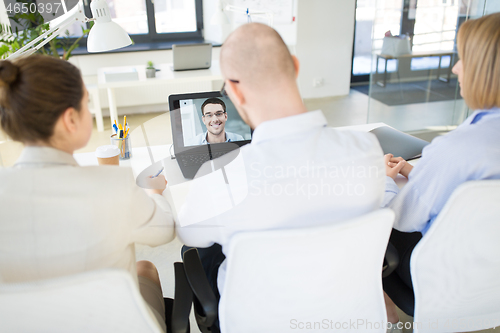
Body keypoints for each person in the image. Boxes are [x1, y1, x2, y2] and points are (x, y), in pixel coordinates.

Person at [176, 23, 392, 326]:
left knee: (202, 249)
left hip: (258, 323)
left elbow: (188, 233)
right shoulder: (367, 150)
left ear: (234, 90)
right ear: (295, 67)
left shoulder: (224, 178)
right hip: (348, 317)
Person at [0, 55, 175, 332]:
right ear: (70, 118)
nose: (90, 112)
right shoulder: (112, 186)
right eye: (86, 103)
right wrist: (153, 193)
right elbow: (164, 231)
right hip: (113, 324)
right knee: (146, 268)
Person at [383, 12, 500, 292]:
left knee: (370, 224)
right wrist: (422, 173)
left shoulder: (459, 148)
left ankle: (384, 310)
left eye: (464, 60)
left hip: (448, 278)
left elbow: (403, 217)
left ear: (487, 71)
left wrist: (385, 179)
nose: (456, 69)